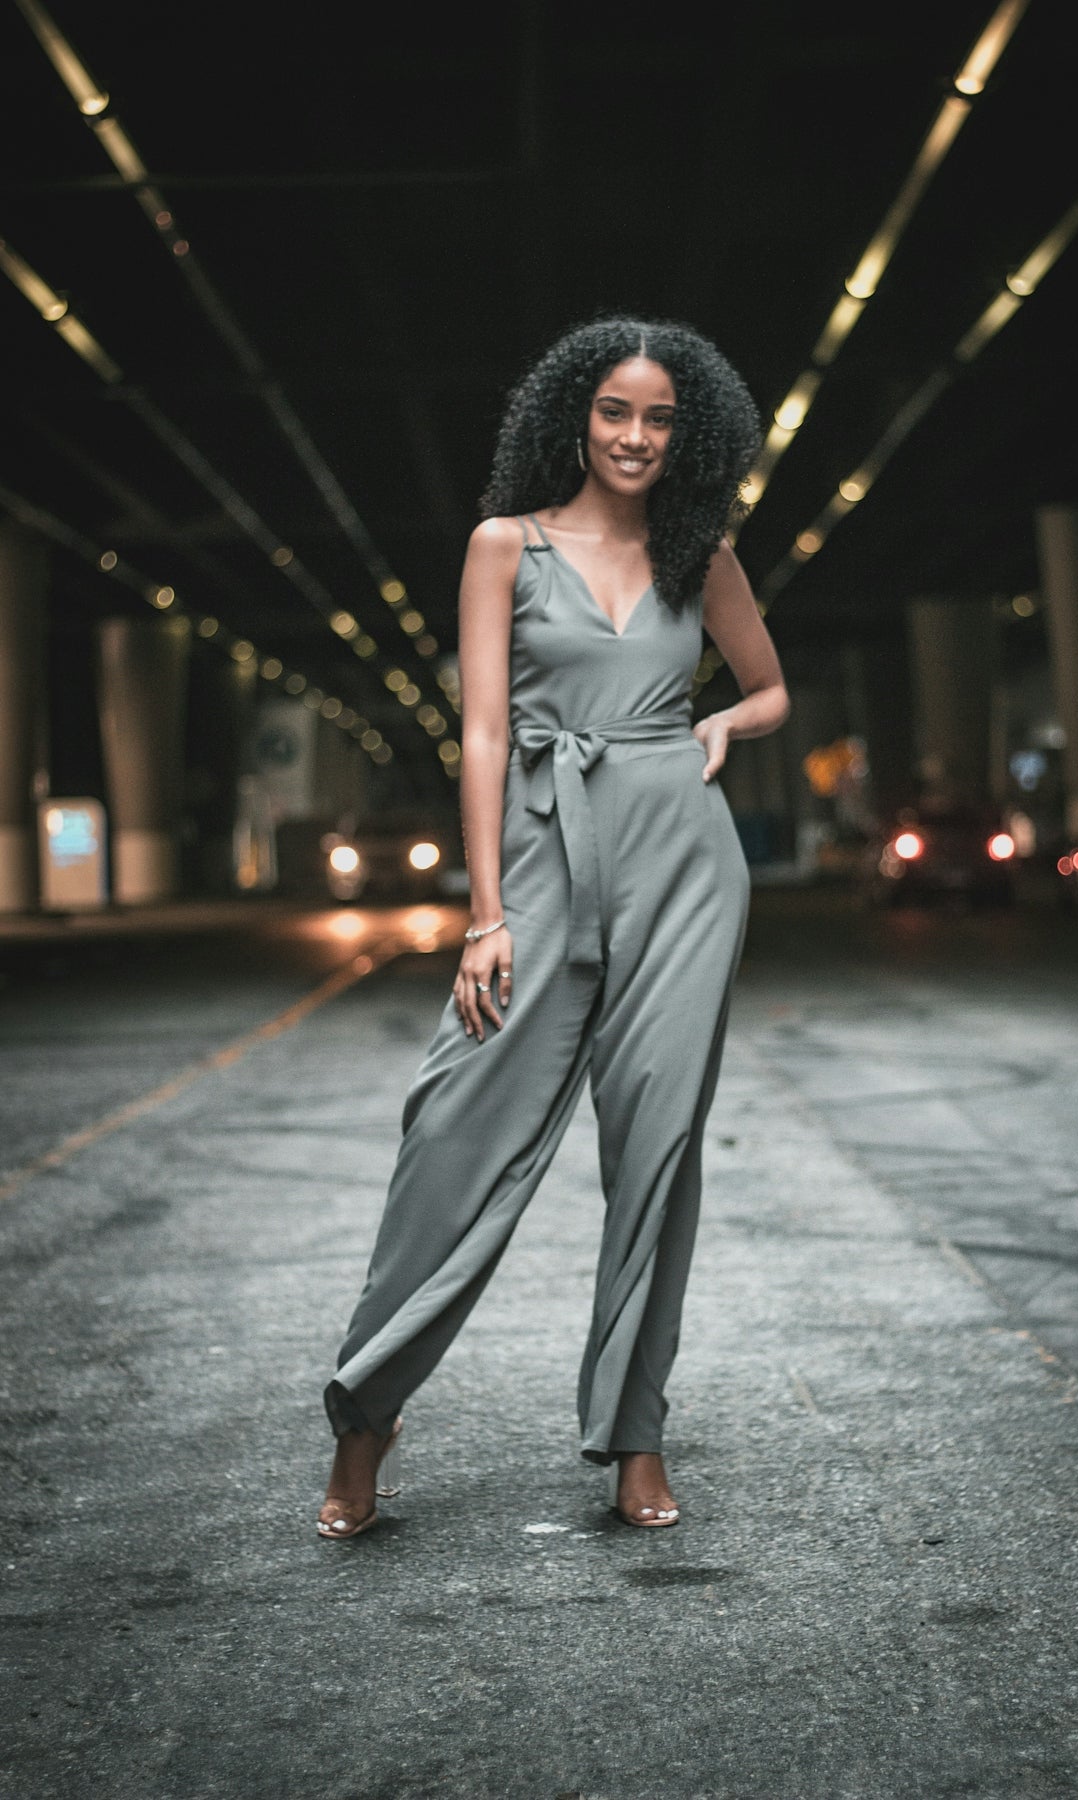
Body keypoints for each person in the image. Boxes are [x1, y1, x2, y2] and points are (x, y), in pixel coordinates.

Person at [317, 315, 789, 1538]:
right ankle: (365, 1417)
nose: (636, 437)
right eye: (617, 412)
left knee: (658, 1144)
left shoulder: (702, 553)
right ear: (575, 416)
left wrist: (726, 728)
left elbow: (769, 683)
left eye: (662, 419)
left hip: (684, 865)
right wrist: (485, 914)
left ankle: (637, 1436)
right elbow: (479, 733)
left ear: (691, 435)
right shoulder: (504, 547)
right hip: (540, 854)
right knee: (456, 1134)